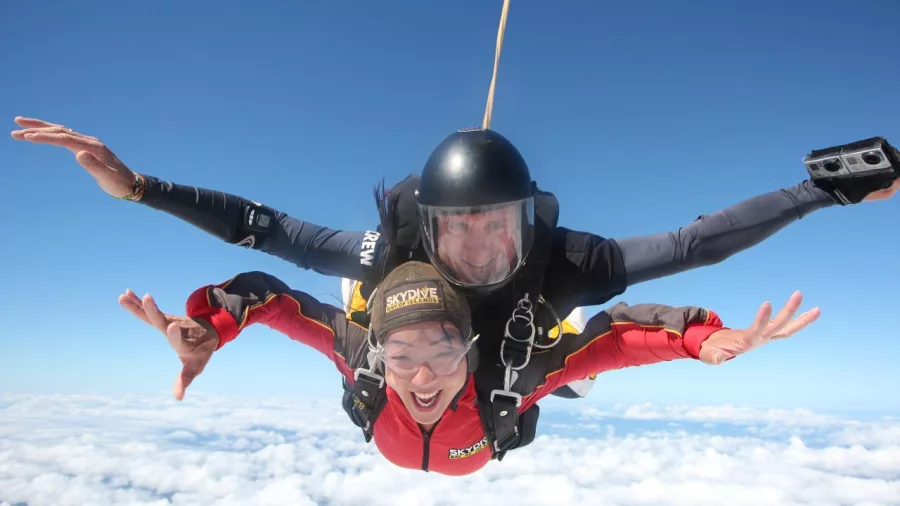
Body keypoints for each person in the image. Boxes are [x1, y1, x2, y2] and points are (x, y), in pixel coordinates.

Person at [11, 116, 896, 400]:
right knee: (365, 312)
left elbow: (695, 243)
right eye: (458, 229)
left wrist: (821, 190)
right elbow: (264, 230)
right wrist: (138, 189)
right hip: (402, 351)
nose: (479, 247)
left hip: (518, 356)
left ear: (529, 221)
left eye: (499, 227)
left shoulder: (562, 263)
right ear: (423, 229)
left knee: (569, 337)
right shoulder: (384, 253)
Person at [118, 261, 819, 476]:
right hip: (459, 428)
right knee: (563, 364)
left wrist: (704, 339)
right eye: (401, 356)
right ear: (377, 352)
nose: (421, 379)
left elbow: (617, 335)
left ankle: (552, 358)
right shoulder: (361, 359)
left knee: (569, 362)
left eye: (444, 353)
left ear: (471, 352)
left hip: (507, 393)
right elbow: (271, 299)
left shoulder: (501, 380)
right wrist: (209, 330)